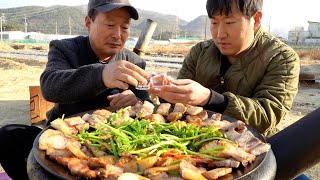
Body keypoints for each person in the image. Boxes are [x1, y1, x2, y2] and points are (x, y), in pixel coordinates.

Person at [0, 0, 150, 179]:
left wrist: (137, 102)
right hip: (63, 138)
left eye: (125, 28)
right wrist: (101, 75)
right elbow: (50, 86)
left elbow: (146, 102)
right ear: (88, 23)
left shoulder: (134, 61)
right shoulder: (65, 49)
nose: (118, 35)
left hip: (116, 143)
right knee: (7, 136)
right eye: (110, 25)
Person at [150, 0, 300, 138]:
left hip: (252, 144)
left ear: (256, 19)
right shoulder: (200, 52)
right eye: (214, 23)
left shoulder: (282, 58)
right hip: (197, 139)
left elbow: (267, 115)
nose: (220, 34)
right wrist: (164, 90)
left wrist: (210, 99)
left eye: (229, 22)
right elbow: (178, 106)